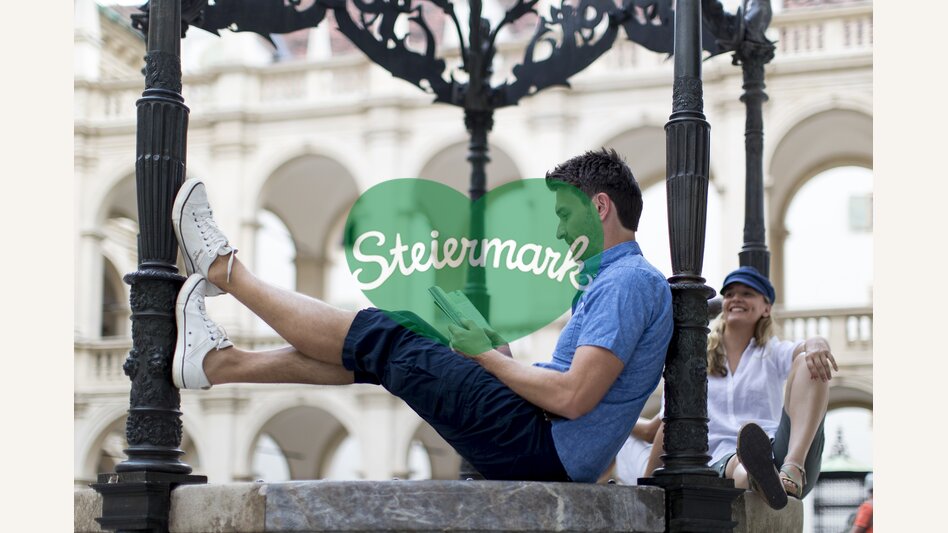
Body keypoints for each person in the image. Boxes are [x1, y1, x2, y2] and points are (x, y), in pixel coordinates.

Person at [170, 148, 674, 483]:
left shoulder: (626, 282)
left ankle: (225, 272)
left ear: (600, 207)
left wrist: (488, 358)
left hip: (537, 444)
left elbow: (573, 397)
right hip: (539, 438)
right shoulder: (619, 282)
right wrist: (497, 351)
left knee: (385, 334)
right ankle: (218, 363)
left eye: (565, 214)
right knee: (392, 346)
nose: (561, 231)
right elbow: (581, 391)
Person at [615, 266, 837, 509]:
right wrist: (610, 415)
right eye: (729, 294)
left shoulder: (771, 353)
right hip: (724, 458)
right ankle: (759, 479)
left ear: (766, 308)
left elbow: (805, 350)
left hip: (779, 451)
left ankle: (791, 469)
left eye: (747, 293)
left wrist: (817, 343)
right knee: (739, 466)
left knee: (809, 361)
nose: (736, 298)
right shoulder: (697, 359)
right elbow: (660, 426)